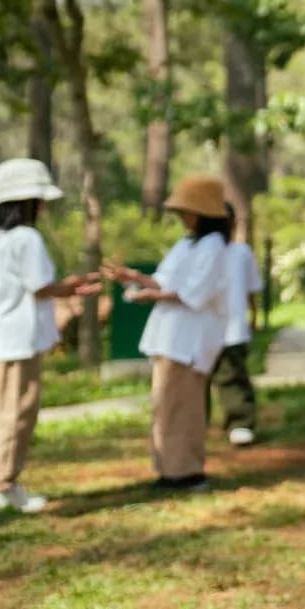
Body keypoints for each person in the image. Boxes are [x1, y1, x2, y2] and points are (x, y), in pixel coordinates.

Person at [0, 159, 102, 516]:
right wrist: (73, 286)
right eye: (39, 199)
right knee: (16, 412)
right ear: (25, 202)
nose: (43, 206)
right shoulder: (26, 238)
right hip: (15, 340)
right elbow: (42, 287)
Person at [103, 175, 235, 492]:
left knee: (183, 407)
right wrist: (134, 278)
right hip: (168, 338)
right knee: (164, 405)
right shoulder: (186, 244)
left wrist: (154, 296)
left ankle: (187, 471)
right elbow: (164, 280)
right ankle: (168, 469)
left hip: (188, 341)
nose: (182, 217)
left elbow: (196, 292)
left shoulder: (214, 247)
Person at [212, 205, 264, 448]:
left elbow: (251, 289)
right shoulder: (200, 252)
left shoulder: (241, 253)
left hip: (232, 329)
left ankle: (240, 423)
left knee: (233, 378)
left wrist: (254, 316)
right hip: (203, 331)